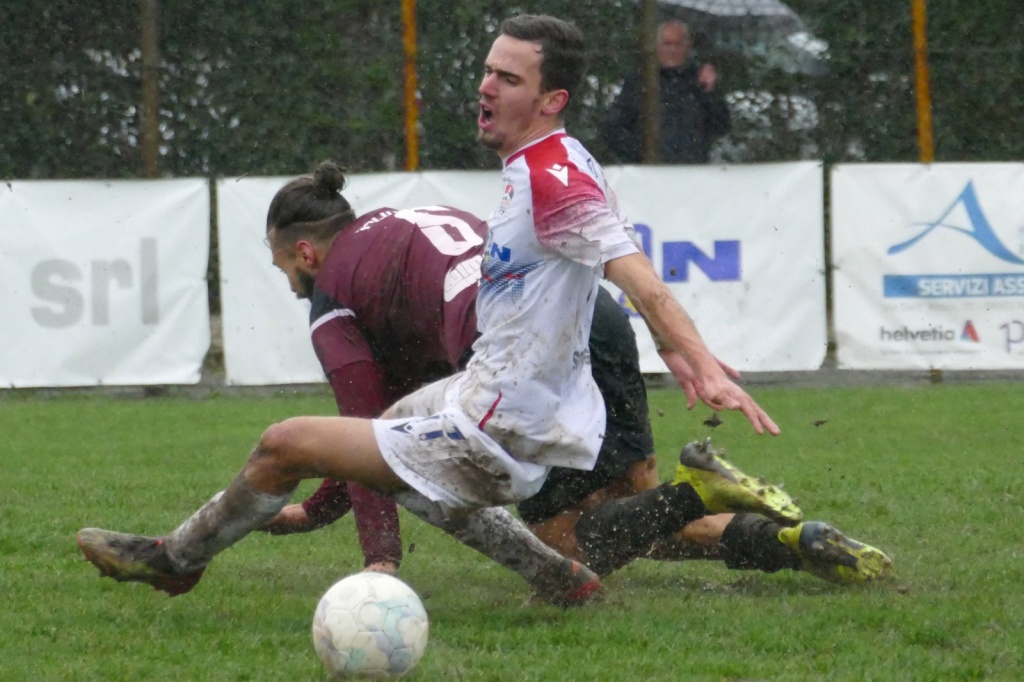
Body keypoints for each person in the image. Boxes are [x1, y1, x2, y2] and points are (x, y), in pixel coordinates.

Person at [75, 13, 814, 607]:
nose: (486, 86)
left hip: (502, 422)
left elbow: (640, 279)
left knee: (283, 443)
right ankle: (562, 578)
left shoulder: (553, 178)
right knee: (400, 438)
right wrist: (684, 354)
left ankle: (175, 562)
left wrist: (701, 362)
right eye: (488, 70)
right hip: (520, 402)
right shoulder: (555, 160)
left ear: (550, 100)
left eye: (508, 78)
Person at [260, 161, 892, 585]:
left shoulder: (334, 294)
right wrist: (316, 512)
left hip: (521, 351)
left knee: (568, 544)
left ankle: (697, 492)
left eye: (284, 266)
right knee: (628, 517)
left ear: (306, 252)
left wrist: (381, 563)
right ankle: (786, 543)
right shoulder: (406, 226)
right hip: (594, 317)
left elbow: (366, 434)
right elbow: (379, 441)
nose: (290, 282)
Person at [604, 19, 731, 164]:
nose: (673, 50)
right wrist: (641, 153)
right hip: (651, 170)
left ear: (688, 46)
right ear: (657, 47)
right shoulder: (641, 81)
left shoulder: (699, 80)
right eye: (667, 44)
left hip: (692, 169)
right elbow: (616, 128)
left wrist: (710, 92)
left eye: (678, 44)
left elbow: (721, 126)